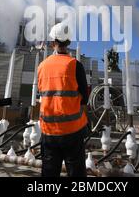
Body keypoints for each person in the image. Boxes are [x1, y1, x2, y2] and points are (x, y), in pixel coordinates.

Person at [38, 23, 89, 177]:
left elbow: (42, 92)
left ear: (53, 43)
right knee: (76, 173)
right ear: (68, 42)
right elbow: (84, 97)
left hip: (48, 130)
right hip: (72, 130)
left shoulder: (42, 66)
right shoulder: (75, 65)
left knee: (49, 172)